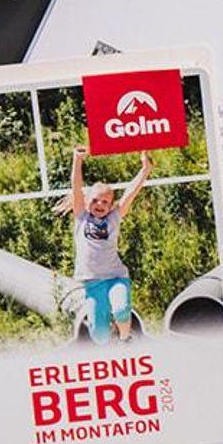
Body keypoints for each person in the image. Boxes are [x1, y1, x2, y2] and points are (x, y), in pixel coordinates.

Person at [55, 146, 152, 343]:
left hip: (116, 277)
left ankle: (125, 339)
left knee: (121, 309)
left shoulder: (114, 218)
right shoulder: (81, 216)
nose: (100, 204)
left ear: (111, 206)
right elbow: (76, 186)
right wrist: (77, 160)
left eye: (105, 202)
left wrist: (145, 170)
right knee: (99, 336)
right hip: (93, 282)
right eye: (96, 200)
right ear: (86, 202)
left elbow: (131, 192)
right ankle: (109, 340)